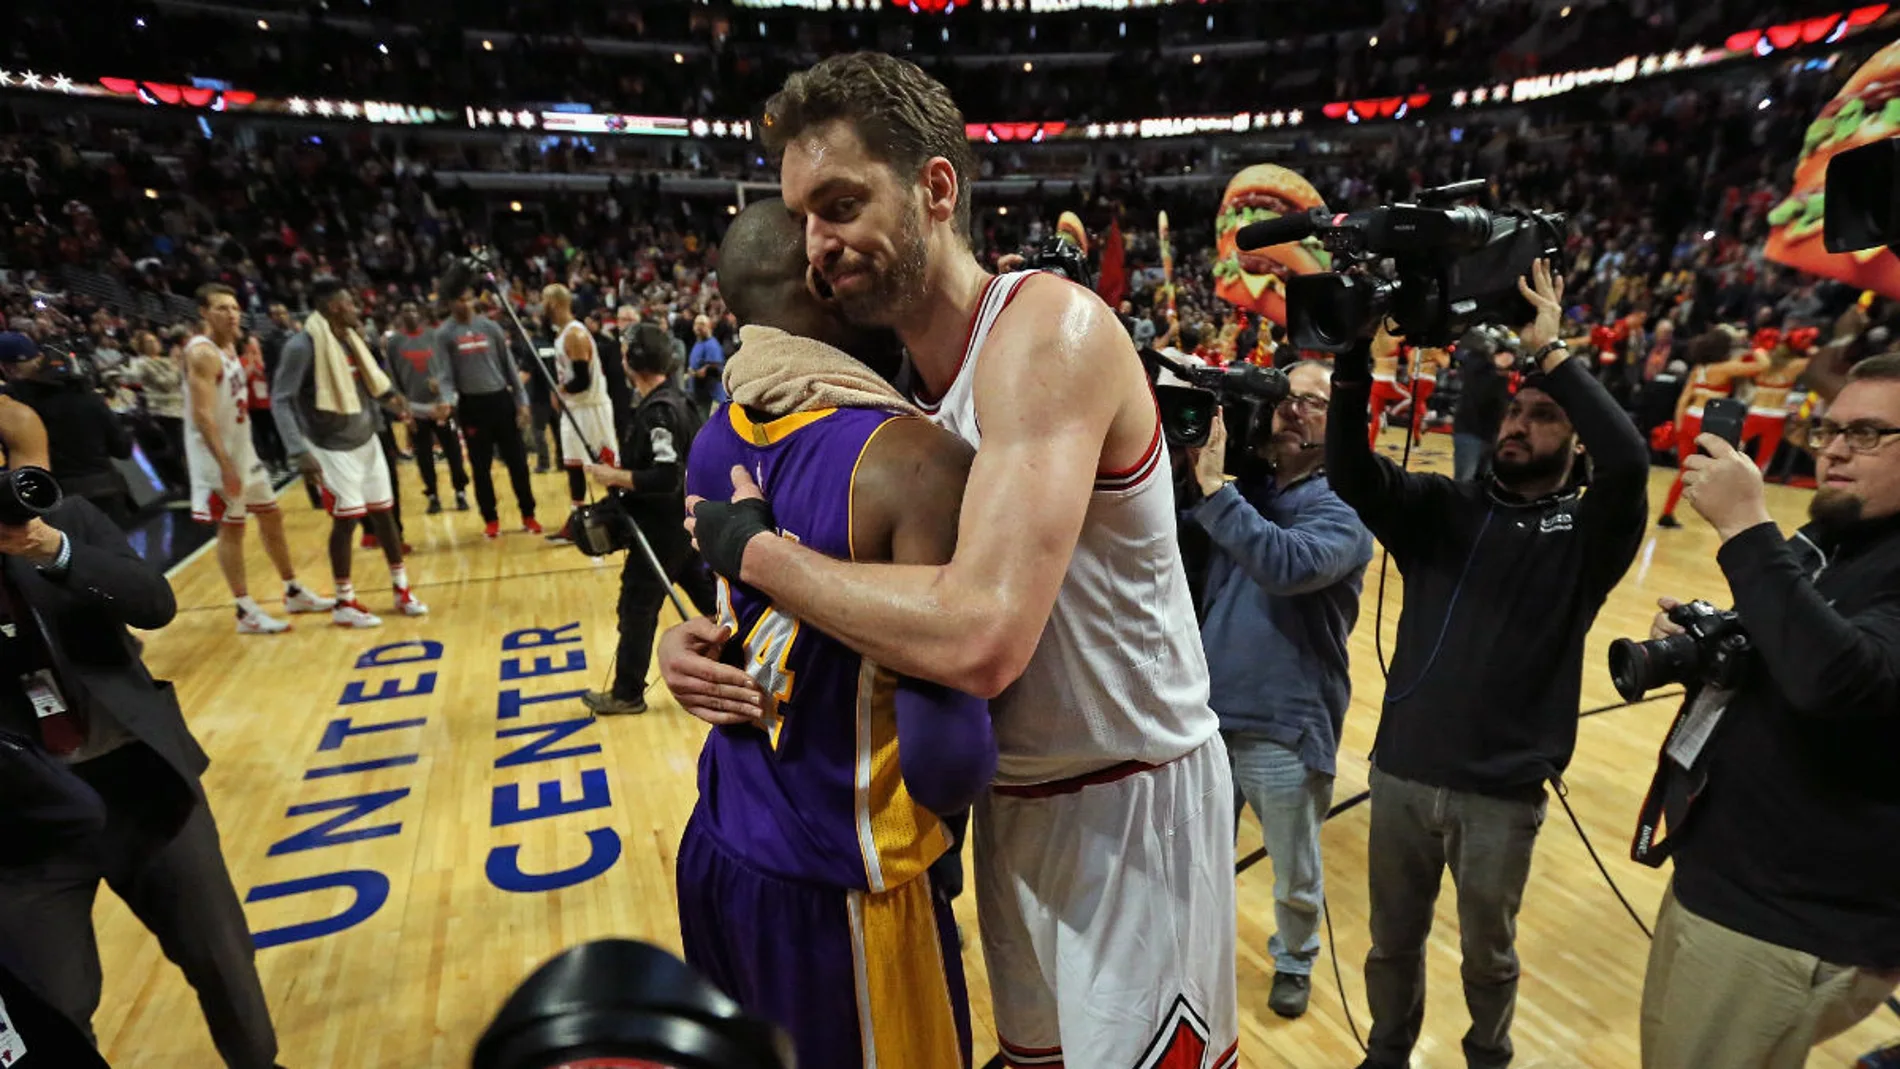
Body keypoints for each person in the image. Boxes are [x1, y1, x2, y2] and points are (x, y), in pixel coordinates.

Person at [667, 52, 1237, 1067]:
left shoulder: (1045, 335)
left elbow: (976, 635)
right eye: (801, 216)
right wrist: (711, 647)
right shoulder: (897, 394)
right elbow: (869, 615)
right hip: (1013, 804)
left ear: (936, 188)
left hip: (1127, 798)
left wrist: (756, 554)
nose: (815, 245)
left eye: (840, 204)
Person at [667, 202, 993, 1068]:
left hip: (718, 840)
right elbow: (947, 756)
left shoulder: (716, 432)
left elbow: (733, 624)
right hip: (843, 881)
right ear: (821, 277)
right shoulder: (914, 461)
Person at [1325, 260, 1650, 1069]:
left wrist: (1554, 361)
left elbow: (1632, 463)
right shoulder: (1443, 509)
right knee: (1389, 944)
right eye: (1514, 412)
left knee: (1487, 956)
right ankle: (1388, 1052)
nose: (1516, 425)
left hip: (1501, 792)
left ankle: (1488, 1053)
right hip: (1401, 773)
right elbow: (1350, 473)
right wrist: (1352, 360)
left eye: (1542, 418)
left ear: (1573, 443)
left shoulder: (1585, 537)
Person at [1636, 354, 1900, 1069]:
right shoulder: (1843, 542)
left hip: (1789, 922)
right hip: (1732, 887)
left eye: (1870, 433)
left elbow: (1838, 677)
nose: (1836, 448)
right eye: (1830, 429)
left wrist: (1748, 525)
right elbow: (1806, 657)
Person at [0, 405, 283, 1069]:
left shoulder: (65, 520)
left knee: (223, 962)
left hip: (141, 782)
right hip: (24, 817)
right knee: (53, 1005)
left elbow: (153, 600)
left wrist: (54, 551)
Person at [1188, 359, 1373, 1019]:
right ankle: (1195, 952)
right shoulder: (1251, 487)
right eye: (1287, 397)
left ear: (1347, 416)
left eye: (1315, 402)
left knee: (1294, 869)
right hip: (1209, 712)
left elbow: (1286, 562)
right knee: (1199, 854)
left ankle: (1295, 959)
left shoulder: (1348, 501)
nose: (1294, 408)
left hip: (1285, 720)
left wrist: (1214, 489)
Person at [273, 278, 427, 628]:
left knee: (385, 515)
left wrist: (395, 404)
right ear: (333, 307)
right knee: (346, 521)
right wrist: (298, 451)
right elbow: (281, 399)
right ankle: (344, 601)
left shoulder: (352, 340)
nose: (357, 307)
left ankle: (401, 589)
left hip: (368, 437)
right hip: (330, 446)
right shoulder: (303, 346)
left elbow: (370, 387)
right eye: (350, 301)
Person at [578, 322, 714, 716]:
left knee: (637, 608)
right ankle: (749, 659)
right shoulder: (678, 400)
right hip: (685, 526)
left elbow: (666, 476)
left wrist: (615, 477)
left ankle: (627, 693)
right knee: (712, 601)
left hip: (660, 531)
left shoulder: (659, 413)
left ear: (631, 362)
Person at [182, 285, 332, 633]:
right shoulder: (202, 353)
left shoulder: (232, 344)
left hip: (242, 448)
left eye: (234, 308)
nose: (231, 314)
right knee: (232, 528)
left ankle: (293, 590)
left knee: (272, 516)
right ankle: (244, 609)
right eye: (221, 308)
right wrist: (225, 464)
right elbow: (203, 416)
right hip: (217, 456)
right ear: (204, 312)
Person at [0, 332, 136, 526]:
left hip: (57, 502)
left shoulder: (13, 405)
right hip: (105, 490)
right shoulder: (88, 397)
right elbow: (122, 449)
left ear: (6, 368)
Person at [437, 286, 540, 538]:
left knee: (518, 463)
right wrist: (446, 400)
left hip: (501, 401)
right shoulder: (444, 334)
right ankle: (491, 519)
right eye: (460, 299)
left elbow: (510, 369)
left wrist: (522, 401)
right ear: (451, 303)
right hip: (472, 406)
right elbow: (445, 376)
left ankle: (528, 514)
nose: (466, 304)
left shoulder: (490, 328)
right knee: (481, 468)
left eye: (469, 299)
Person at [1657, 329, 1765, 528]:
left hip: (1688, 419)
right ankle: (1729, 516)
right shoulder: (1723, 368)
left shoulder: (1699, 369)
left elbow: (1683, 400)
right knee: (1727, 466)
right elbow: (1762, 365)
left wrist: (1679, 427)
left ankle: (1667, 513)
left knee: (1684, 471)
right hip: (1708, 423)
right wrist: (1755, 345)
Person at [545, 284, 618, 544]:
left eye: (544, 302)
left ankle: (622, 513)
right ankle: (576, 522)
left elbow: (582, 382)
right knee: (573, 466)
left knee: (606, 465)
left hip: (590, 408)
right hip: (574, 408)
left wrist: (558, 390)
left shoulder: (575, 335)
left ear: (554, 304)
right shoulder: (562, 333)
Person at [384, 300, 469, 515]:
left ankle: (460, 492)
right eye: (405, 310)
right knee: (423, 455)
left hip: (441, 405)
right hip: (415, 407)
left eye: (413, 309)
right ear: (399, 317)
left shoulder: (435, 335)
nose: (410, 314)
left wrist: (446, 396)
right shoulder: (394, 343)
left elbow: (449, 368)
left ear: (420, 314)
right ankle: (432, 495)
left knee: (454, 451)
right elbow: (393, 378)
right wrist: (404, 411)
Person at [1451, 330, 1517, 482]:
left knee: (1486, 485)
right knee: (1464, 483)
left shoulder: (1501, 375)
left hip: (1492, 435)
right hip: (1470, 431)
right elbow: (1479, 394)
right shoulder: (1477, 364)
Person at [686, 313, 727, 415]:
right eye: (696, 324)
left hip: (710, 395)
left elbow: (715, 366)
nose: (698, 327)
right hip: (697, 391)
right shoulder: (698, 342)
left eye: (702, 324)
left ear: (709, 326)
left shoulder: (711, 345)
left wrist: (701, 371)